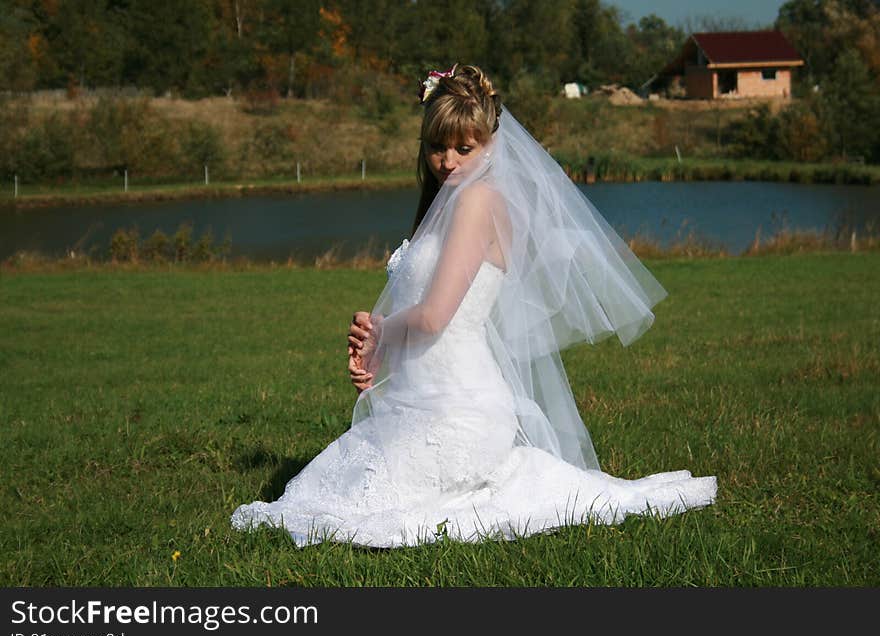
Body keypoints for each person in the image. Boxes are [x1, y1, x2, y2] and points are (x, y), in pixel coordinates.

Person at [231, 64, 716, 548]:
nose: (448, 161)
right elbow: (428, 317)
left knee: (353, 506)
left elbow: (436, 318)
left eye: (465, 148)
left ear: (491, 145)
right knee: (334, 489)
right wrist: (375, 354)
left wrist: (382, 329)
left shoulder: (476, 202)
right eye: (437, 147)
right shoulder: (445, 208)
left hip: (461, 412)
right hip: (421, 402)